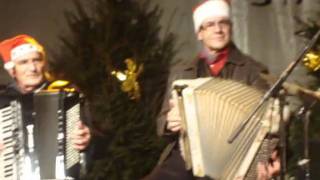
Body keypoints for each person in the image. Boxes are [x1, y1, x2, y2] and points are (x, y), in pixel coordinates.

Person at [145, 0, 282, 179]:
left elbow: (270, 123)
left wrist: (264, 159)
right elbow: (161, 122)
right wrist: (170, 123)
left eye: (223, 23)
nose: (218, 29)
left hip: (235, 158)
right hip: (187, 155)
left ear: (230, 28)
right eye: (210, 24)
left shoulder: (253, 71)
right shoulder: (181, 71)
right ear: (199, 33)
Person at [0, 34, 91, 177]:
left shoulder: (65, 93)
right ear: (12, 70)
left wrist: (86, 139)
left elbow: (95, 135)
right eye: (24, 62)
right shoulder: (3, 101)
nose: (32, 68)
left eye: (37, 60)